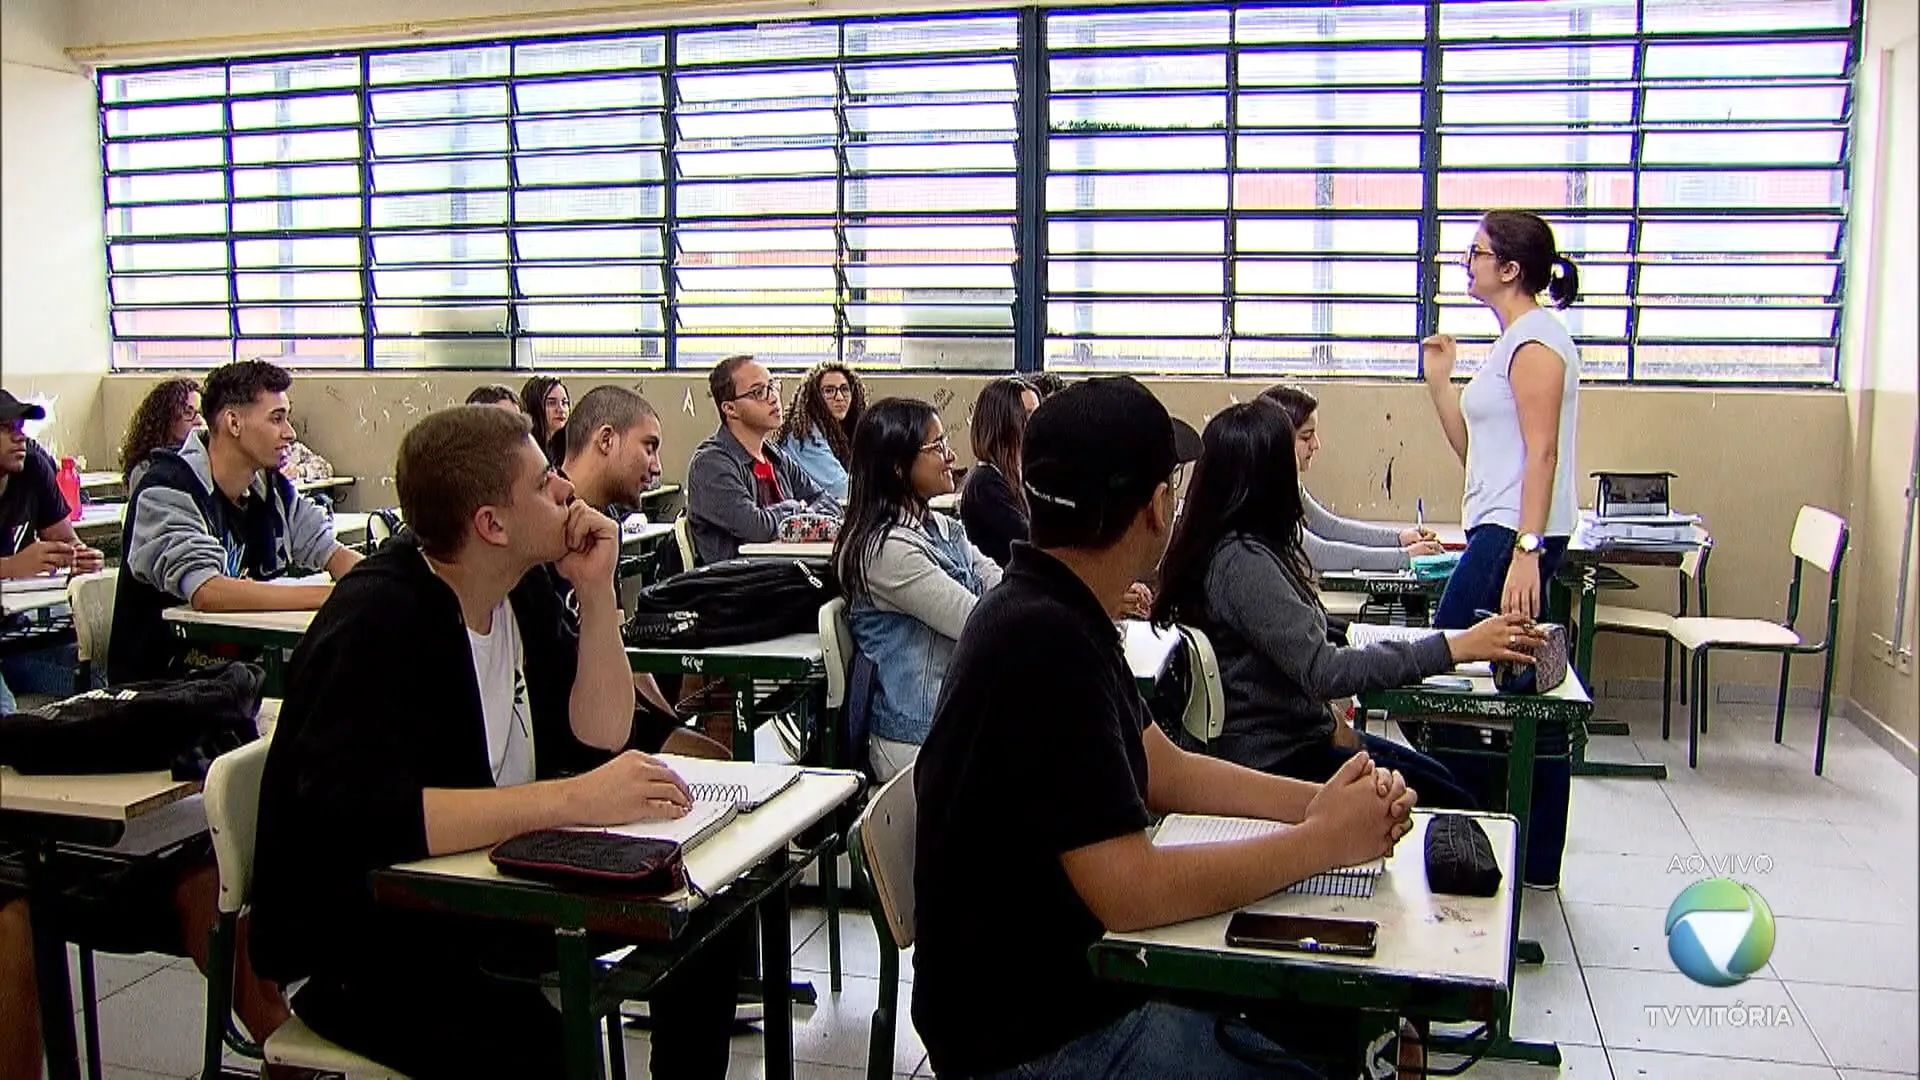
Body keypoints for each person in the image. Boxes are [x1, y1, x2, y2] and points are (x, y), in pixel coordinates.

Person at [913, 376, 1419, 1080]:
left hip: (1058, 990)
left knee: (1328, 1027)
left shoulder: (1053, 605)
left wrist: (1316, 803)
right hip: (1033, 1036)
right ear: (1156, 508)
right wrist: (1320, 843)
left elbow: (1162, 767)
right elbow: (1132, 889)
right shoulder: (1040, 640)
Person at [249, 405, 740, 1079]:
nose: (566, 490)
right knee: (539, 1048)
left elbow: (602, 731)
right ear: (491, 524)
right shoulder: (378, 620)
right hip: (383, 939)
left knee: (707, 918)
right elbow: (372, 818)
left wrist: (596, 595)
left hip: (494, 889)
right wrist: (572, 800)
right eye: (545, 483)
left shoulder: (519, 589)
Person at [1152, 401, 1541, 808]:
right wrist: (1455, 648)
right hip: (1280, 761)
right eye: (1293, 456)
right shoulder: (1242, 563)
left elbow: (1300, 649)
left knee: (1446, 782)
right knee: (1458, 803)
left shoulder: (1246, 546)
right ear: (1267, 479)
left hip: (1295, 738)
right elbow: (1324, 670)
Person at [1420, 209, 1583, 888]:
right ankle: (1526, 844)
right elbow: (1479, 456)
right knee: (1519, 685)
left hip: (1515, 534)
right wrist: (1439, 381)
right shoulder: (1509, 342)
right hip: (1500, 525)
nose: (1468, 264)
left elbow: (1542, 453)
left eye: (1476, 254)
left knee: (1446, 659)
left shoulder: (1537, 341)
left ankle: (1491, 819)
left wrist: (1526, 549)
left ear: (1511, 268)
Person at [107, 360, 362, 685]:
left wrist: (374, 584)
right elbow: (208, 592)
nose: (290, 433)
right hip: (163, 691)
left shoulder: (270, 489)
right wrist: (330, 596)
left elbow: (329, 550)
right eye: (277, 418)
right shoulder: (166, 488)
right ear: (233, 422)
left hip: (236, 678)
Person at [832, 398, 1001, 781]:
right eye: (937, 447)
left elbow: (1003, 588)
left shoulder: (942, 528)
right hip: (917, 740)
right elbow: (976, 622)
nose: (951, 456)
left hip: (955, 719)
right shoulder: (887, 551)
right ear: (897, 467)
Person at [557, 386, 727, 759]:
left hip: (608, 709)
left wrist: (670, 721)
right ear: (606, 439)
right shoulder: (547, 528)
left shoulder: (602, 527)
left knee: (719, 755)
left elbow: (621, 651)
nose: (657, 466)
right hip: (569, 727)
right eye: (648, 447)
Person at [1259, 384, 1444, 573]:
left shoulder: (1287, 483)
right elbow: (1319, 554)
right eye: (1306, 437)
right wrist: (1404, 557)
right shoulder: (1262, 494)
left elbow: (1331, 528)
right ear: (1278, 440)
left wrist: (1400, 538)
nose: (1316, 445)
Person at [0, 390, 106, 711]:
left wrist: (80, 557)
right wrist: (12, 566)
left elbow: (65, 540)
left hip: (17, 635)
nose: (19, 437)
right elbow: (17, 566)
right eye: (6, 428)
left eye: (20, 427)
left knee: (101, 676)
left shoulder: (32, 467)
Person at [685, 355, 840, 566]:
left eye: (773, 386)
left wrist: (804, 518)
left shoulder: (775, 457)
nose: (773, 397)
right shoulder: (711, 464)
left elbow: (828, 502)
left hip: (787, 574)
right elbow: (756, 527)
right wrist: (798, 510)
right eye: (759, 392)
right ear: (730, 409)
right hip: (741, 586)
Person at [957, 376, 1038, 567]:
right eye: (1027, 416)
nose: (1037, 424)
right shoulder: (986, 484)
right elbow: (1031, 542)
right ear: (1002, 425)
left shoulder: (1019, 476)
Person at [775, 361, 866, 500]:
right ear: (815, 397)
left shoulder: (837, 431)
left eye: (845, 389)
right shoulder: (805, 436)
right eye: (829, 391)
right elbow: (841, 488)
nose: (839, 397)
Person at [119, 377, 201, 489]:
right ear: (166, 418)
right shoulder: (145, 470)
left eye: (201, 413)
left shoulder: (203, 461)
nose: (199, 421)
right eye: (188, 413)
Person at [519, 376, 570, 464]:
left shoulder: (563, 448)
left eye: (564, 403)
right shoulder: (524, 450)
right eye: (551, 403)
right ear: (534, 407)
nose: (561, 409)